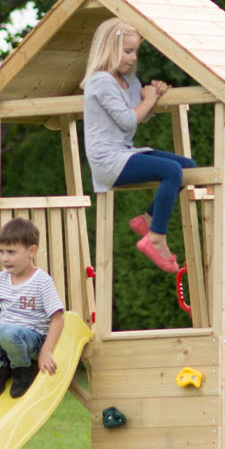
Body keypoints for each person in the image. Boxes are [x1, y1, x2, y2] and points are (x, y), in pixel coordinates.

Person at [81, 17, 196, 274]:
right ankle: (156, 236)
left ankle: (147, 219)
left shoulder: (129, 81)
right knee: (171, 171)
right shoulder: (101, 81)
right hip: (107, 159)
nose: (133, 58)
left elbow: (140, 114)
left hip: (124, 152)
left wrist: (155, 92)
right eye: (128, 51)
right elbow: (128, 119)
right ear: (109, 48)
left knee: (187, 166)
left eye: (135, 52)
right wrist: (149, 99)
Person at [0, 217, 65, 399]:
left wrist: (46, 351)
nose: (5, 258)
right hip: (5, 337)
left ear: (32, 251)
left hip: (31, 340)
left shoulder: (42, 281)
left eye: (11, 252)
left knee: (7, 331)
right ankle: (0, 366)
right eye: (1, 251)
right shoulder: (1, 279)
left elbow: (58, 318)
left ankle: (23, 368)